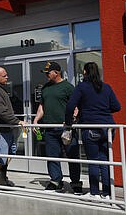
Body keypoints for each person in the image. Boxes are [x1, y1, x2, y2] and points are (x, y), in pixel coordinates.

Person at [65, 62, 121, 199]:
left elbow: (70, 106)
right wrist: (103, 111)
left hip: (90, 127)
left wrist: (69, 123)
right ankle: (107, 193)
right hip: (108, 128)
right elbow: (117, 107)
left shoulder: (82, 87)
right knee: (105, 160)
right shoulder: (106, 87)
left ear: (84, 72)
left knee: (93, 161)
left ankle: (95, 192)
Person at [33, 61, 82, 193]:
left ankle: (76, 182)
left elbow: (76, 106)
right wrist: (36, 120)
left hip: (66, 128)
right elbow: (42, 106)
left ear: (57, 72)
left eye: (48, 73)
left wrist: (73, 119)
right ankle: (56, 181)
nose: (46, 75)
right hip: (50, 128)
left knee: (72, 155)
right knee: (52, 156)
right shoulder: (45, 88)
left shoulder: (68, 87)